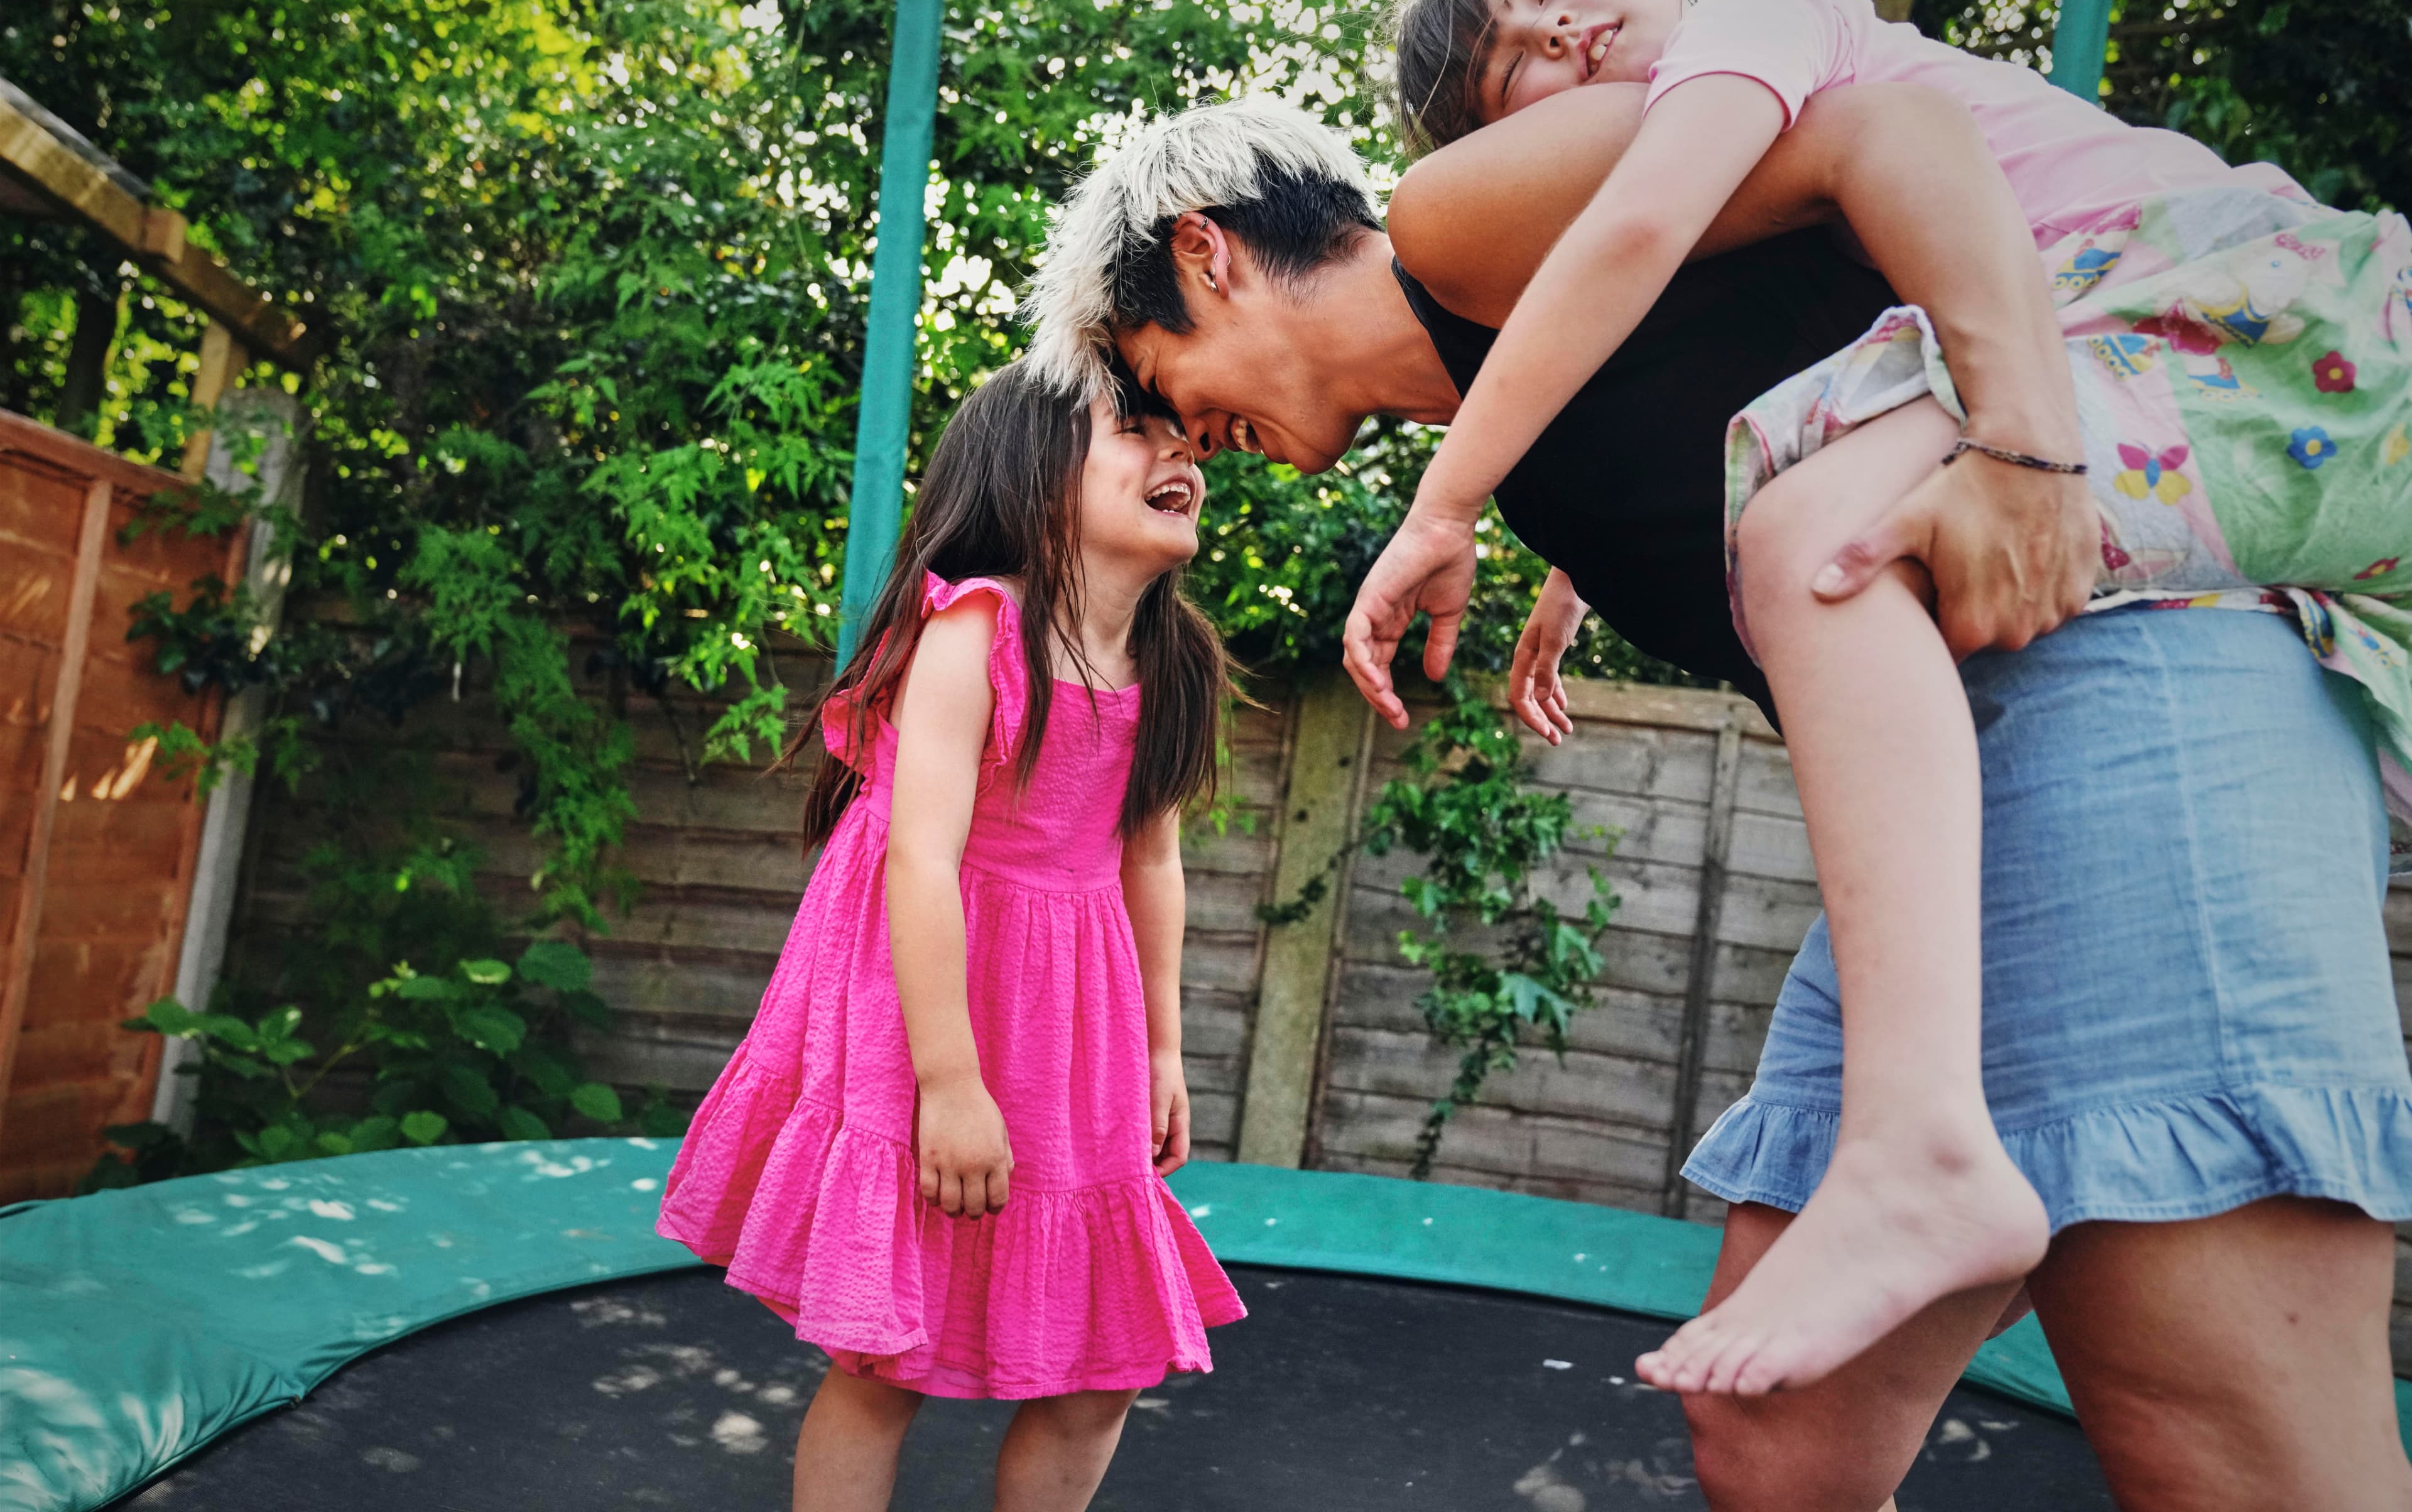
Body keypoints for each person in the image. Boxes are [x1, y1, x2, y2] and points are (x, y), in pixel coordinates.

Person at [1023, 95, 2412, 1511]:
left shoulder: (1460, 218)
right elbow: (1758, 379)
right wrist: (1559, 560)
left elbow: (1881, 120)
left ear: (1211, 253)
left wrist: (2029, 437)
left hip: (2128, 661)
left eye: (1157, 373)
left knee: (2238, 1452)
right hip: (1963, 807)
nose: (1182, 429)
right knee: (1778, 1445)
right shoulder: (1537, 442)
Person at [1369, 0, 2412, 1398]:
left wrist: (1444, 499)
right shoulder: (1783, 74)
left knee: (1809, 537)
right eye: (1518, 66)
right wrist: (1566, 577)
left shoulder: (1760, 21)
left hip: (2212, 306)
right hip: (2297, 379)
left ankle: (1917, 1145)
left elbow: (1628, 235)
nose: (1564, 45)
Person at [655, 362, 1244, 1512]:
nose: (1184, 455)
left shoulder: (1174, 662)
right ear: (1031, 479)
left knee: (1105, 1371)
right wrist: (949, 1082)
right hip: (931, 993)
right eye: (1138, 431)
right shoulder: (977, 631)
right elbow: (919, 859)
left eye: (1194, 443)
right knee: (885, 1356)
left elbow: (1151, 859)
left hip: (1074, 1017)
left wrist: (1165, 1053)